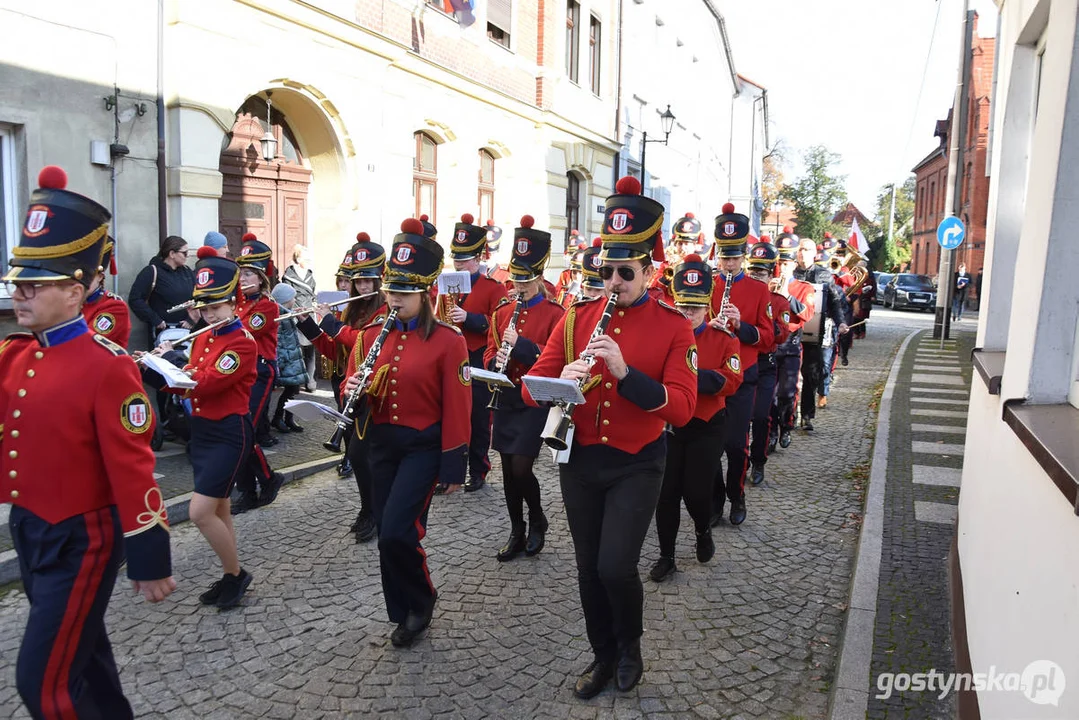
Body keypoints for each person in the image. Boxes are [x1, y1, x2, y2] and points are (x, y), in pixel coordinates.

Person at [2, 166, 175, 717]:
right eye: (17, 282)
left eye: (36, 283)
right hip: (29, 527)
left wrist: (149, 553)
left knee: (43, 683)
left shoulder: (108, 367)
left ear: (76, 292)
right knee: (85, 657)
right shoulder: (16, 355)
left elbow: (132, 465)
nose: (20, 292)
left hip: (82, 537)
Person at [523, 176, 697, 699]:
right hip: (580, 461)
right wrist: (563, 379)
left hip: (637, 461)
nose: (614, 281)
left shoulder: (674, 327)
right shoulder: (577, 318)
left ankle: (631, 646)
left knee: (615, 564)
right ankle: (601, 654)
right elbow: (533, 388)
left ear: (650, 271)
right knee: (586, 568)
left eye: (626, 272)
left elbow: (684, 408)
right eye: (608, 270)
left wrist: (625, 375)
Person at [343, 217, 471, 648]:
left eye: (403, 293)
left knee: (399, 531)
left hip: (422, 448)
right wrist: (354, 389)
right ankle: (402, 610)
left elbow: (459, 405)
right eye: (391, 291)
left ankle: (422, 600)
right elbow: (348, 383)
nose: (393, 299)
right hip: (381, 444)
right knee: (386, 534)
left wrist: (454, 463)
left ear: (425, 294)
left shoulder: (449, 341)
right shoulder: (368, 337)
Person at [151, 247, 257, 609]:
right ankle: (232, 573)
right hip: (205, 432)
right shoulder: (204, 337)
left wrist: (173, 365)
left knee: (199, 512)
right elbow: (192, 376)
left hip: (230, 432)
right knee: (220, 508)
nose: (209, 314)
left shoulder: (242, 342)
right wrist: (157, 364)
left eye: (216, 307)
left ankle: (238, 576)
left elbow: (207, 382)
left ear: (233, 304)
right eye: (205, 308)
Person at [650, 254, 741, 583]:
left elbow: (731, 380)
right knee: (667, 492)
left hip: (706, 424)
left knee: (697, 492)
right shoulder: (663, 337)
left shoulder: (723, 338)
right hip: (672, 425)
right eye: (683, 307)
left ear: (707, 307)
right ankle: (666, 555)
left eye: (695, 308)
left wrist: (689, 377)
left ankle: (703, 530)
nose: (688, 314)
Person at [484, 215, 565, 561]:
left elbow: (555, 360)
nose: (520, 287)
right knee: (506, 469)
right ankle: (516, 528)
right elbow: (489, 348)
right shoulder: (503, 311)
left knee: (521, 467)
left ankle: (538, 519)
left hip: (533, 400)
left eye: (527, 281)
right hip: (504, 396)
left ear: (539, 278)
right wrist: (493, 362)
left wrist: (520, 347)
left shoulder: (555, 313)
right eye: (517, 280)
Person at [297, 236, 388, 541]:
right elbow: (334, 350)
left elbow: (366, 343)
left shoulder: (386, 310)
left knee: (366, 455)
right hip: (347, 388)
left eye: (368, 281)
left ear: (380, 279)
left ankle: (375, 511)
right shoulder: (350, 310)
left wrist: (332, 324)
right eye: (358, 281)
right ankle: (367, 508)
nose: (362, 287)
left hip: (373, 390)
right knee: (357, 454)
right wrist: (309, 325)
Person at [709, 203, 774, 527]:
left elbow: (769, 337)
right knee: (709, 448)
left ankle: (737, 495)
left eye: (735, 258)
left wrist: (741, 326)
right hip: (709, 375)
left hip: (743, 374)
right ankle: (715, 499)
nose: (730, 264)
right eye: (725, 257)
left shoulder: (759, 290)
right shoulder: (705, 286)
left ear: (744, 256)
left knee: (735, 445)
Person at [446, 213, 508, 492]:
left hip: (478, 356)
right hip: (451, 356)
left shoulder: (494, 287)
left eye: (465, 258)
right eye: (456, 257)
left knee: (479, 419)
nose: (459, 262)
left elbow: (498, 324)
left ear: (478, 259)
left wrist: (469, 318)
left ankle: (479, 469)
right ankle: (451, 471)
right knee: (451, 414)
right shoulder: (445, 286)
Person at [232, 234, 285, 514]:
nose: (243, 279)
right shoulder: (237, 305)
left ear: (262, 277)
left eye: (250, 274)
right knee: (239, 433)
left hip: (260, 371)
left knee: (244, 432)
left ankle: (265, 481)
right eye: (241, 274)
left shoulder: (266, 306)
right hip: (240, 373)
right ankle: (257, 486)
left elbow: (243, 335)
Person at [745, 239, 790, 486]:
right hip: (741, 362)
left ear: (771, 274)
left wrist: (765, 321)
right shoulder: (741, 295)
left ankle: (758, 461)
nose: (755, 276)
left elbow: (782, 333)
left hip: (764, 364)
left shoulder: (778, 300)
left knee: (761, 416)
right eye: (752, 271)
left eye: (760, 273)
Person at [794, 238, 850, 430]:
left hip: (813, 331)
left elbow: (834, 302)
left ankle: (807, 415)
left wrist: (841, 322)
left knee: (811, 374)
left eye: (807, 250)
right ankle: (789, 414)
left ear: (814, 254)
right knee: (789, 374)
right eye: (800, 249)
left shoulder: (824, 275)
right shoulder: (789, 273)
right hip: (790, 330)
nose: (803, 253)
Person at [769, 230, 816, 451]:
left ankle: (786, 426)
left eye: (787, 263)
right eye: (781, 262)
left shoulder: (803, 287)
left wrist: (787, 295)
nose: (783, 267)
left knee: (787, 392)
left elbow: (806, 314)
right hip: (770, 344)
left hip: (791, 344)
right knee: (769, 395)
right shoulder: (767, 284)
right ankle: (770, 433)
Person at [128, 234, 195, 344]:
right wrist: (155, 320)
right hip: (163, 333)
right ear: (172, 254)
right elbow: (135, 299)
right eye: (184, 253)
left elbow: (198, 297)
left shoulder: (187, 271)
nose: (187, 256)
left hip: (187, 331)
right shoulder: (152, 271)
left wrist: (191, 319)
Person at [269, 283, 309, 434]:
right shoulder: (279, 317)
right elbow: (278, 343)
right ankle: (279, 418)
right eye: (293, 298)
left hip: (292, 360)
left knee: (293, 391)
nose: (294, 300)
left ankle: (288, 418)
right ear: (286, 299)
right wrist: (283, 361)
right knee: (290, 391)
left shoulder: (286, 313)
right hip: (288, 362)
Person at [81, 236, 132, 347]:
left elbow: (85, 345)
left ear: (100, 277)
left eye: (87, 277)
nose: (79, 283)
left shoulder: (114, 307)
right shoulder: (72, 304)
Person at [283, 243, 318, 389]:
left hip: (309, 313)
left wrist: (315, 304)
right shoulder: (288, 276)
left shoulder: (310, 274)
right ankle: (295, 381)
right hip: (295, 315)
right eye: (306, 257)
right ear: (298, 258)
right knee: (296, 350)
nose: (309, 260)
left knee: (311, 348)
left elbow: (313, 293)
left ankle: (310, 380)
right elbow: (287, 297)